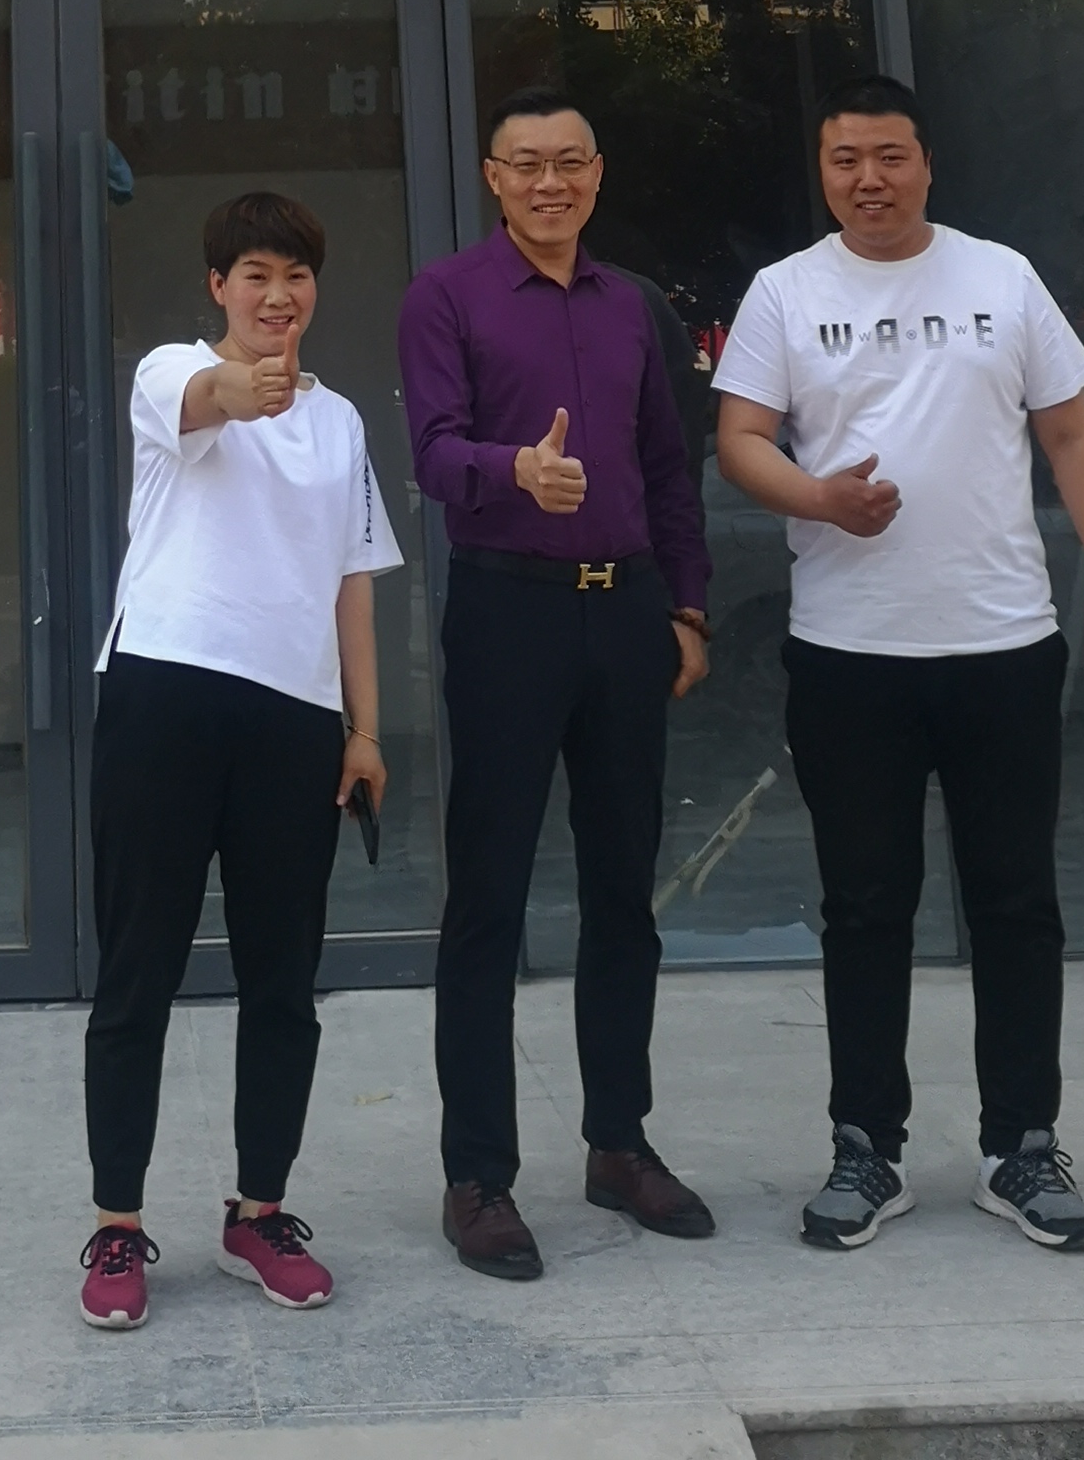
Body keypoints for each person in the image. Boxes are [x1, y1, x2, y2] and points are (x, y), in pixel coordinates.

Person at [712, 73, 1084, 1258]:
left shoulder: (1000, 277)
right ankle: (867, 1144)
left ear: (926, 162)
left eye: (890, 154)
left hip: (1003, 643)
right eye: (846, 158)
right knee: (865, 906)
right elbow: (741, 437)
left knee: (1017, 901)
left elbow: (1072, 432)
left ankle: (1023, 1144)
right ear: (824, 171)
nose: (870, 178)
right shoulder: (786, 291)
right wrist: (819, 498)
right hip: (850, 654)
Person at [397, 86, 714, 1282]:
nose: (549, 181)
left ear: (596, 171)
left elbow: (669, 465)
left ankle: (619, 1142)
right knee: (488, 895)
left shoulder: (632, 304)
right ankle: (478, 1174)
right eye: (526, 162)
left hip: (625, 609)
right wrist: (515, 469)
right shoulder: (446, 295)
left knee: (624, 887)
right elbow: (433, 452)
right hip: (507, 609)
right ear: (493, 176)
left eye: (569, 160)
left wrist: (686, 605)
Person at [78, 188, 400, 1332]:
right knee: (139, 969)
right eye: (255, 273)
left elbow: (353, 582)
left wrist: (365, 728)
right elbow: (209, 399)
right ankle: (118, 1223)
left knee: (282, 980)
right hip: (163, 692)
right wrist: (244, 384)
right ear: (219, 285)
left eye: (296, 274)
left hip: (295, 718)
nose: (278, 293)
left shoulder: (341, 421)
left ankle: (259, 1210)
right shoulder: (172, 371)